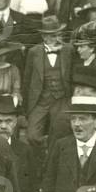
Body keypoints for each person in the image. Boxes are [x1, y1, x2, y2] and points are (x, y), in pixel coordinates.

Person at [23, 15, 74, 146]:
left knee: (62, 132)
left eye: (56, 35)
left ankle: (53, 151)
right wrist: (26, 107)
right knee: (32, 135)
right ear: (43, 37)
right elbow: (27, 80)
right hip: (41, 100)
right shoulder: (33, 52)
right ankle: (45, 150)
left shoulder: (68, 50)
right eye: (51, 36)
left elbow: (72, 76)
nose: (55, 39)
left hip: (62, 99)